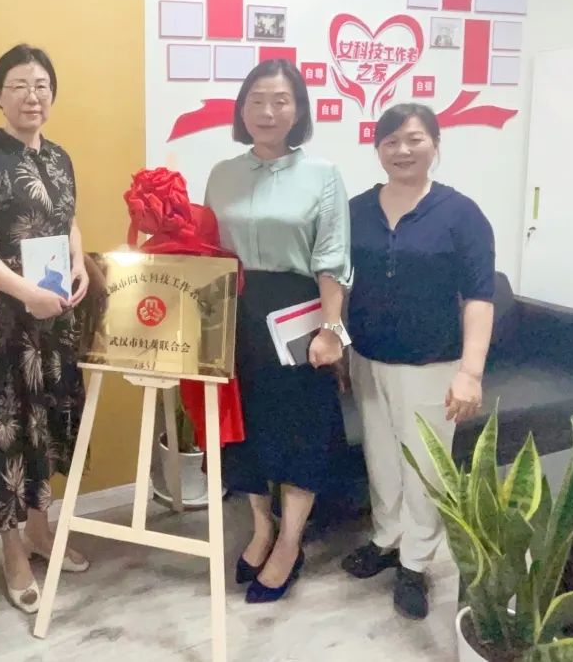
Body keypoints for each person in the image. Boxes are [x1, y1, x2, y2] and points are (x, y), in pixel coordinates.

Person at [205, 58, 351, 604]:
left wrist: (332, 330)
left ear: (299, 110)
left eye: (281, 100)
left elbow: (332, 258)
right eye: (257, 100)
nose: (268, 111)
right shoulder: (222, 174)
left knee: (298, 432)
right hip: (234, 315)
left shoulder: (323, 175)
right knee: (245, 431)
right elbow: (206, 250)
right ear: (242, 109)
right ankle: (261, 528)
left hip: (296, 317)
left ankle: (290, 542)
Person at [342, 103, 495, 620]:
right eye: (390, 141)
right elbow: (340, 281)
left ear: (435, 144)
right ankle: (386, 539)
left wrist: (470, 373)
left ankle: (415, 563)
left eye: (414, 139)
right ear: (377, 149)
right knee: (381, 458)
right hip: (367, 358)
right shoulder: (358, 209)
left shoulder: (461, 214)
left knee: (425, 468)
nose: (402, 150)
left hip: (432, 364)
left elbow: (479, 297)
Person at [0, 44, 90, 616]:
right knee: (8, 434)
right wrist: (24, 293)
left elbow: (69, 220)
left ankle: (41, 531)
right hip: (6, 325)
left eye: (41, 86)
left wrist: (80, 263)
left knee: (49, 426)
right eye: (19, 85)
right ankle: (12, 551)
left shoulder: (59, 157)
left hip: (55, 321)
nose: (32, 96)